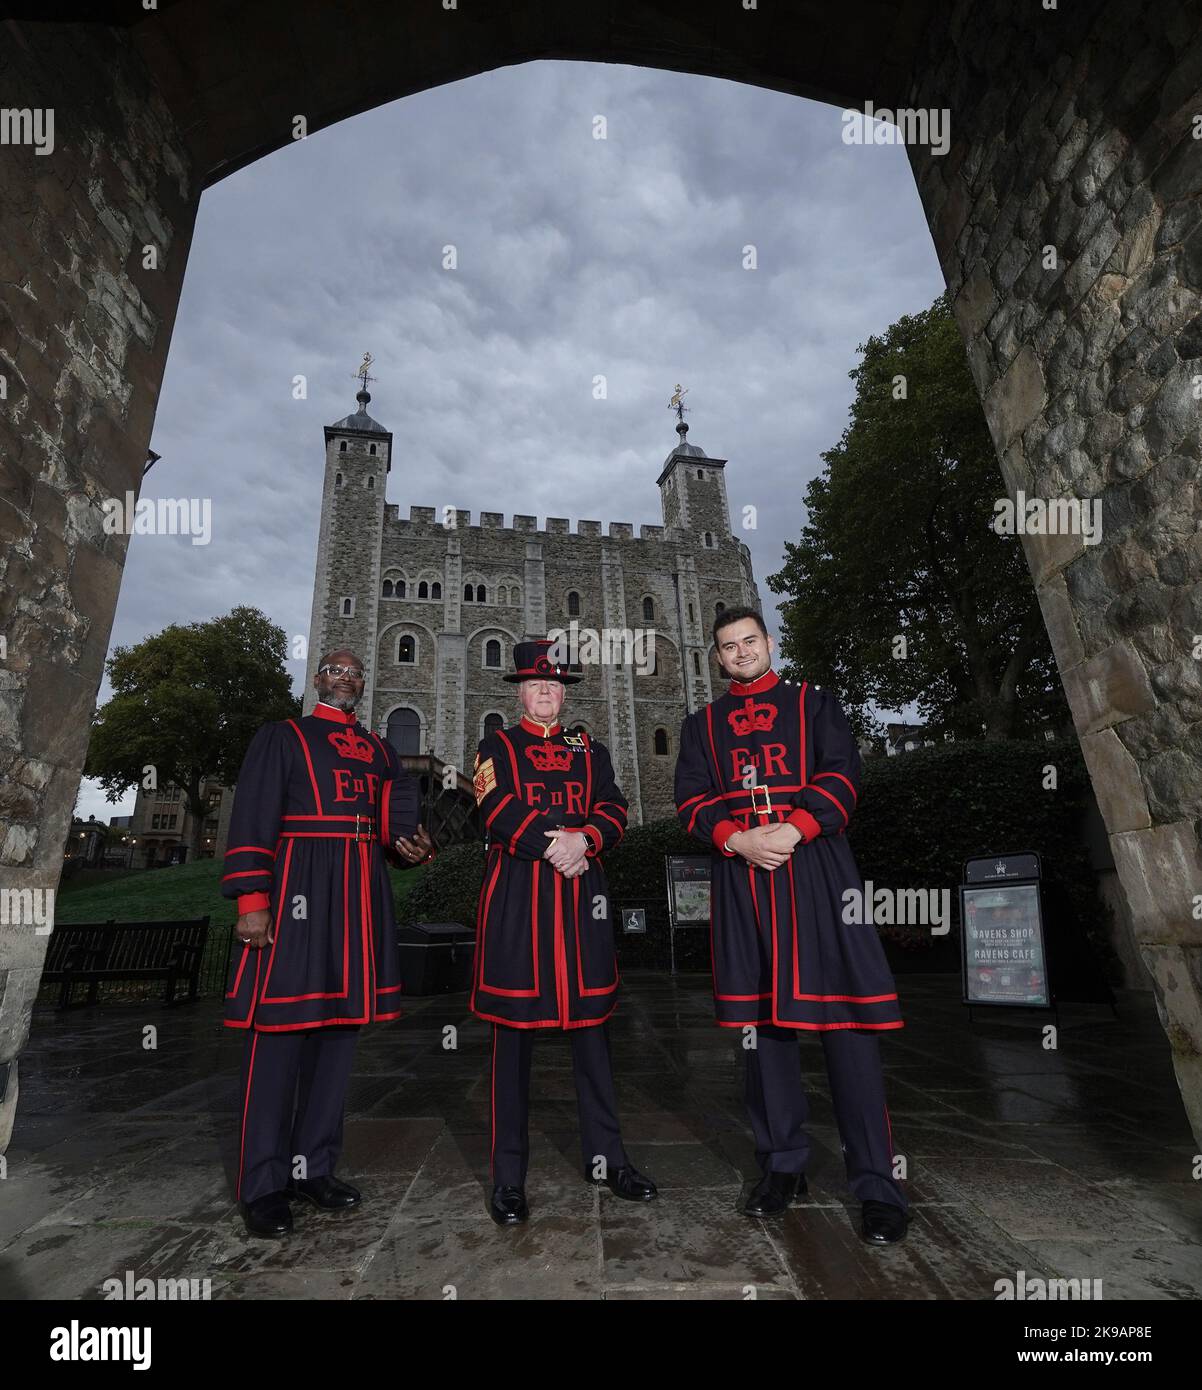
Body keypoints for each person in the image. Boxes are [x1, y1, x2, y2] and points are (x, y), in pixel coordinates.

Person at [673, 609, 909, 1243]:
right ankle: (782, 1166)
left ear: (768, 644)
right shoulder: (700, 726)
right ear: (717, 658)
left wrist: (796, 827)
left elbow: (842, 774)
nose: (742, 651)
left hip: (818, 872)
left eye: (751, 640)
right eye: (729, 646)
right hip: (743, 875)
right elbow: (690, 798)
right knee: (761, 1033)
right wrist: (736, 840)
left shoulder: (814, 702)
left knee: (848, 1028)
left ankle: (876, 1186)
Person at [221, 648, 432, 1237]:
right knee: (278, 1041)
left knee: (338, 1040)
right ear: (317, 681)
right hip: (295, 887)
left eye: (355, 672)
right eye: (335, 670)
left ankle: (312, 1168)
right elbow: (254, 817)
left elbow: (397, 824)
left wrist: (408, 848)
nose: (345, 677)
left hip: (359, 895)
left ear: (364, 685)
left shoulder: (383, 751)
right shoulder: (281, 736)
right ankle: (262, 1185)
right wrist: (251, 900)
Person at [470, 638, 657, 1224]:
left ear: (563, 693)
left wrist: (588, 840)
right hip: (517, 902)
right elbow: (493, 808)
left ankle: (608, 1159)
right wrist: (556, 845)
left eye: (555, 684)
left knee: (594, 1038)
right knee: (511, 1045)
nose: (546, 691)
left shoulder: (589, 748)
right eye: (536, 683)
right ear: (520, 692)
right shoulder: (494, 744)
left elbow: (615, 806)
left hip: (582, 904)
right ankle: (508, 1178)